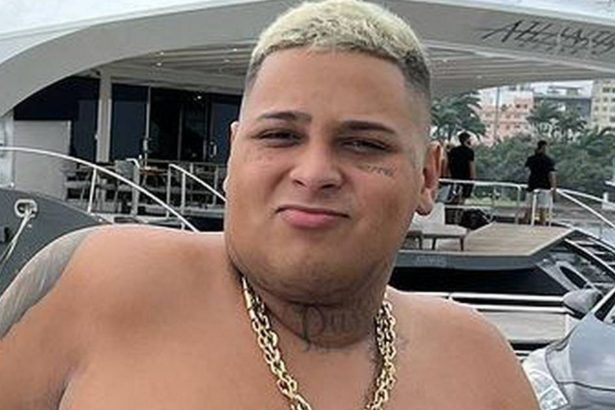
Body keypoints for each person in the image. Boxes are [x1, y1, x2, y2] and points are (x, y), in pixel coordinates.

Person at [0, 1, 538, 409]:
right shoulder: (102, 285)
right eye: (280, 135)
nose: (314, 172)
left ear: (427, 176)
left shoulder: (478, 366)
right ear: (234, 154)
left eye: (364, 144)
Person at [525, 140, 556, 225]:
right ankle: (543, 226)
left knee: (528, 209)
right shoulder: (548, 160)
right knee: (543, 210)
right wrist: (553, 188)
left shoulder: (531, 159)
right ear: (544, 148)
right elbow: (551, 175)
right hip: (544, 187)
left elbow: (527, 172)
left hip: (532, 186)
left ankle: (525, 225)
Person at [447, 131, 476, 204]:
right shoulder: (470, 152)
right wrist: (473, 179)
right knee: (463, 199)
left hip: (454, 178)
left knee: (453, 198)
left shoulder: (453, 151)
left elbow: (449, 164)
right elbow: (471, 166)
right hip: (466, 179)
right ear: (467, 140)